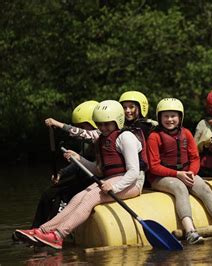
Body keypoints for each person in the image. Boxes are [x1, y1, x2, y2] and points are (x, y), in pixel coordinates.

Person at [15, 100, 146, 249]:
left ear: (117, 121)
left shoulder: (126, 137)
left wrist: (114, 188)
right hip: (112, 179)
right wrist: (79, 159)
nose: (103, 128)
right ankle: (43, 230)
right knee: (78, 197)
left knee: (90, 198)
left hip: (133, 183)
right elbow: (99, 171)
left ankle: (58, 235)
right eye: (100, 124)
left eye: (107, 124)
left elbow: (134, 172)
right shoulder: (102, 139)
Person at [147, 98, 212, 245]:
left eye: (173, 116)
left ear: (180, 117)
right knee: (179, 187)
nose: (169, 119)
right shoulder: (154, 137)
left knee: (204, 187)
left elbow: (195, 158)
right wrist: (178, 174)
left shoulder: (186, 133)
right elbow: (154, 166)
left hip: (186, 173)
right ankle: (190, 231)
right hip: (160, 177)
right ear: (159, 117)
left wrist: (191, 173)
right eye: (165, 116)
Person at [29, 101, 99, 229]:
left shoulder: (101, 137)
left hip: (94, 178)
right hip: (82, 175)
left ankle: (51, 229)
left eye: (83, 126)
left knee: (63, 197)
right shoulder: (86, 144)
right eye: (78, 126)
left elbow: (91, 164)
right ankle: (35, 229)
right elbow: (78, 164)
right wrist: (61, 173)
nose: (81, 129)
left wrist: (57, 124)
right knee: (48, 193)